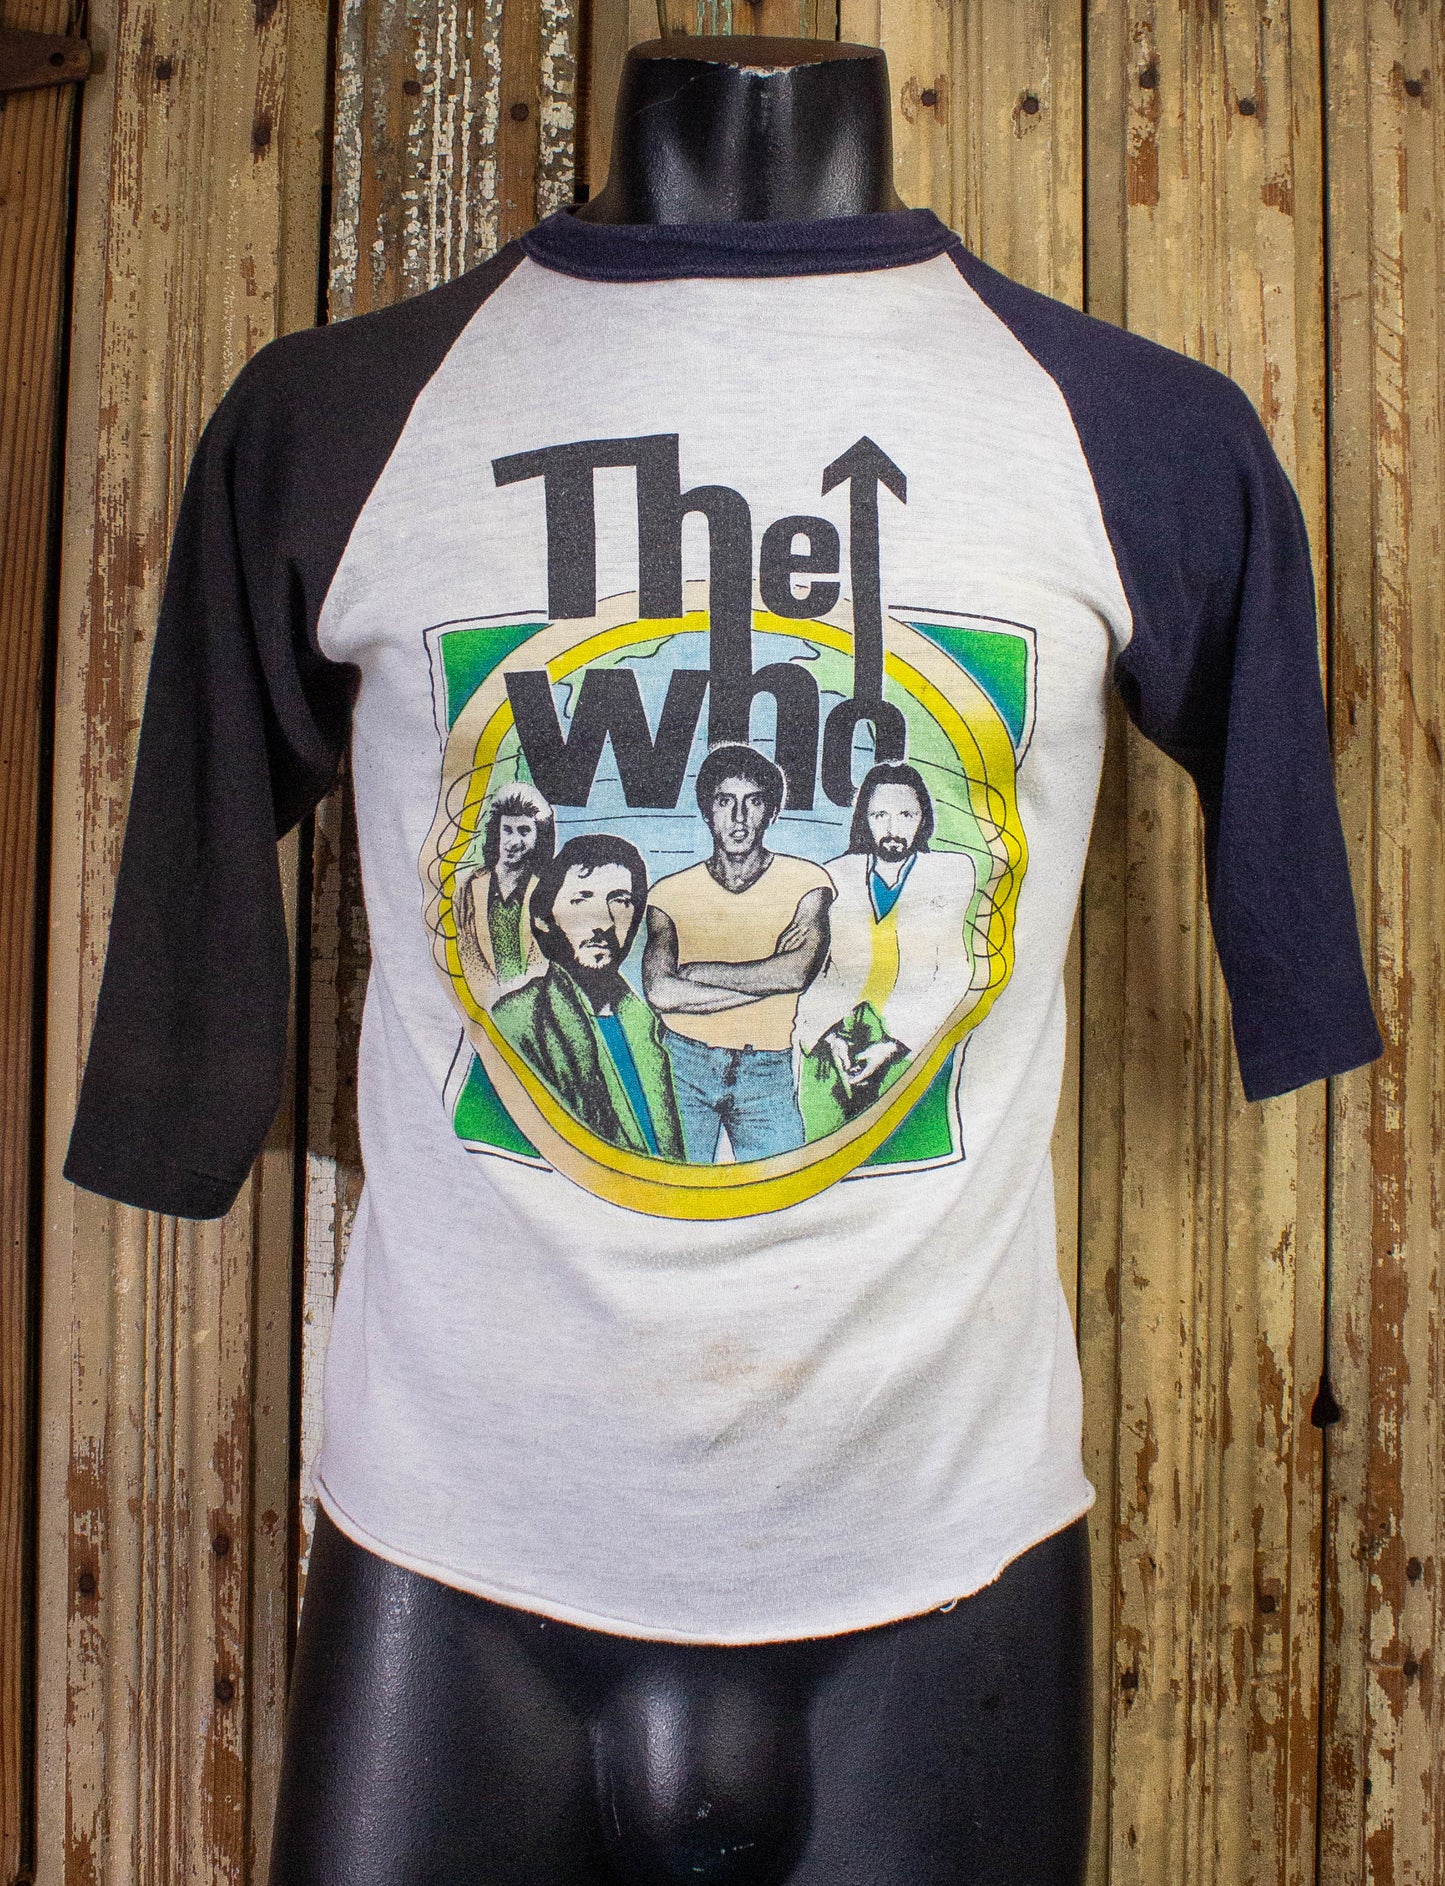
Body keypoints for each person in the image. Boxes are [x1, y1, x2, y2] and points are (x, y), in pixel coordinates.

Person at [643, 744, 833, 1162]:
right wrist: (768, 978)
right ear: (707, 811)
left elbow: (797, 973)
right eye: (725, 801)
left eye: (754, 802)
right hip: (682, 1064)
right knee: (676, 1188)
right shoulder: (669, 893)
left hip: (766, 1070)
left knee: (782, 1187)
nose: (739, 817)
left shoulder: (807, 881)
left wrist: (699, 972)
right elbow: (660, 992)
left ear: (772, 812)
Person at [794, 761, 976, 1136]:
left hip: (910, 1037)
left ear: (923, 818)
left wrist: (893, 1045)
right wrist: (827, 1036)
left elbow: (954, 973)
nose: (893, 829)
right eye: (880, 815)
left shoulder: (952, 872)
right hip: (834, 1037)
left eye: (906, 814)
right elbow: (810, 971)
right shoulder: (834, 874)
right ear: (865, 819)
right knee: (819, 1143)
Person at [491, 832, 684, 1159]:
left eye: (620, 901)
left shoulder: (647, 1024)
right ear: (544, 919)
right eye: (581, 899)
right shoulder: (517, 1018)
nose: (603, 923)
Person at [454, 783, 554, 1007]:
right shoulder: (468, 887)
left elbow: (545, 962)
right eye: (507, 830)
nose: (513, 842)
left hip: (532, 1006)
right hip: (479, 1005)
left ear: (539, 836)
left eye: (524, 831)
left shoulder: (547, 891)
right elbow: (463, 950)